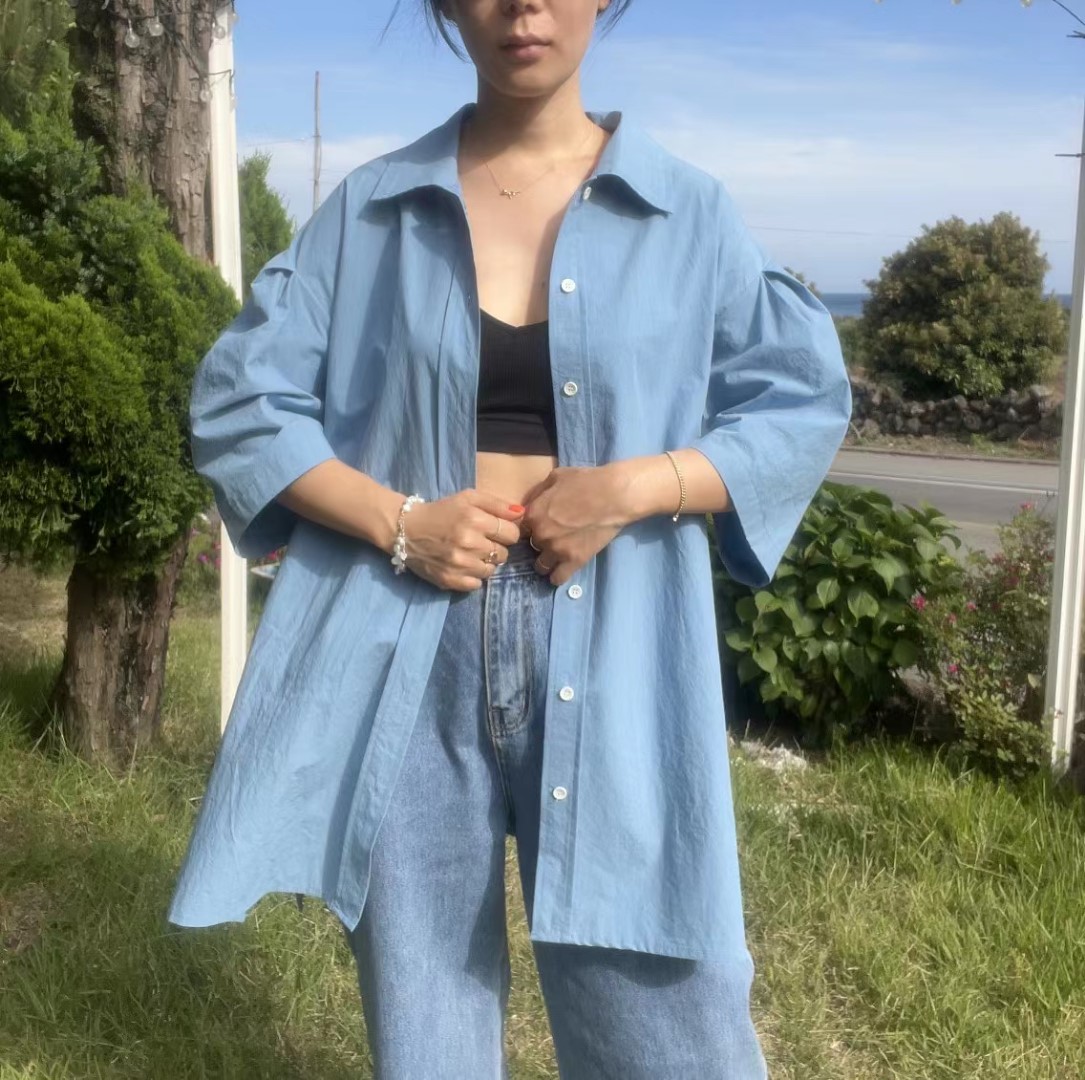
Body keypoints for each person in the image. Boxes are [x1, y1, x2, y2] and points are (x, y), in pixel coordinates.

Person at [167, 1, 852, 1076]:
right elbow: (240, 402)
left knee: (665, 1003)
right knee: (423, 1007)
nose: (520, 5)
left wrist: (632, 488)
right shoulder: (372, 210)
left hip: (622, 635)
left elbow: (799, 403)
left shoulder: (687, 213)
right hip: (405, 639)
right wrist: (401, 523)